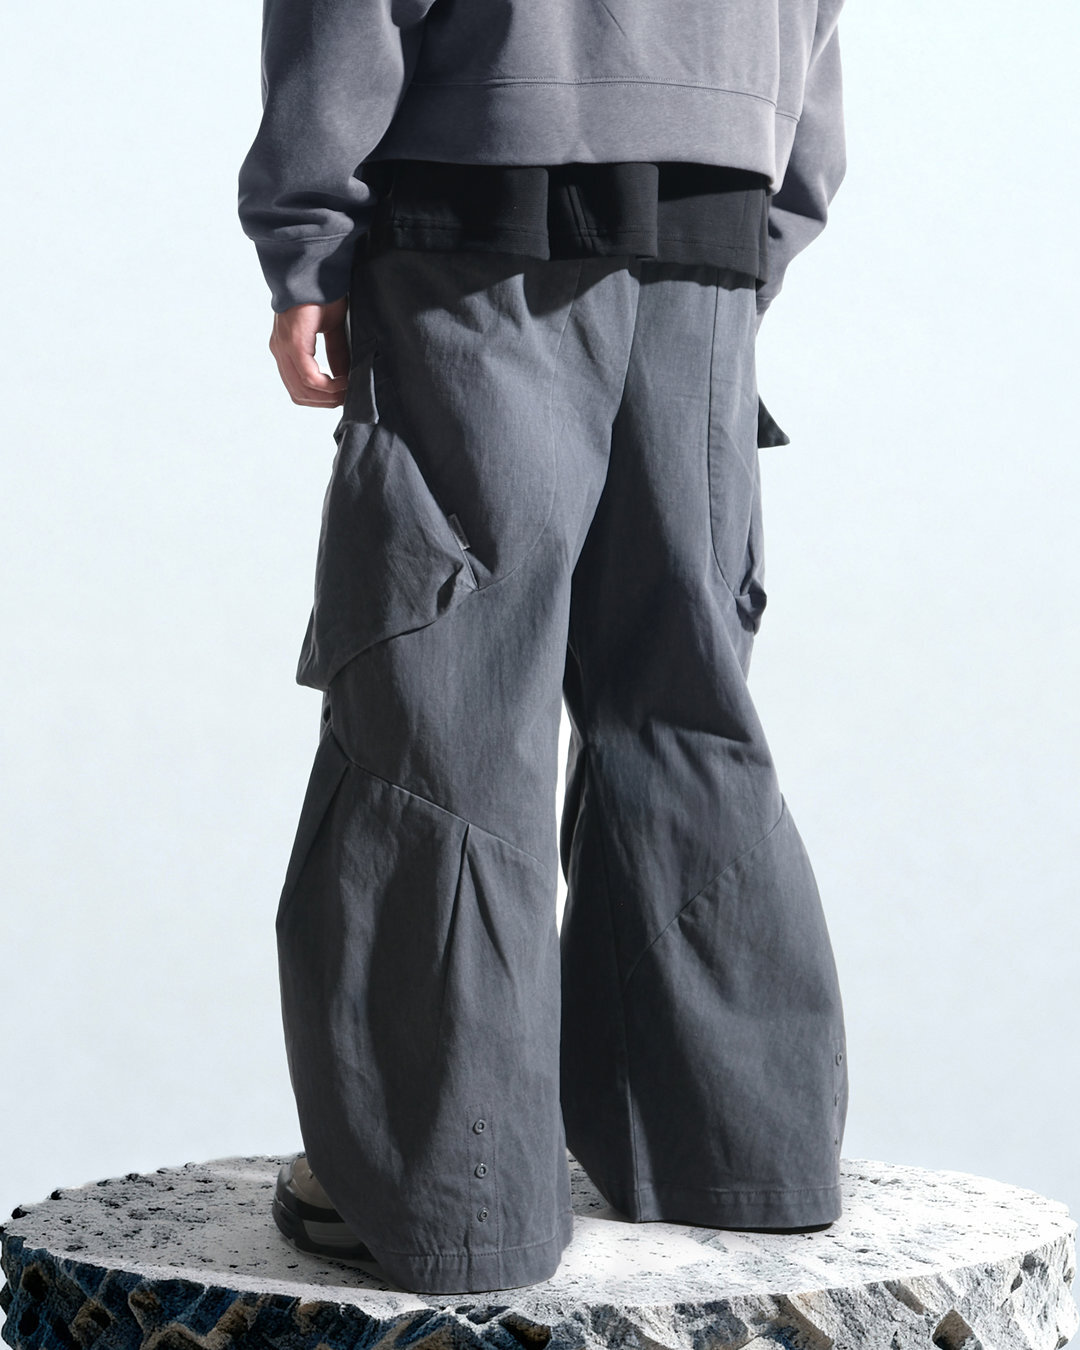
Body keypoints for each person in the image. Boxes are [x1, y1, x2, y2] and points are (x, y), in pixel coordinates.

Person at [237, 0, 849, 1297]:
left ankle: (441, 1191)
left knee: (446, 691)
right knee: (683, 691)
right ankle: (734, 1149)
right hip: (713, 219)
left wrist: (309, 237)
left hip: (479, 216)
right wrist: (757, 223)